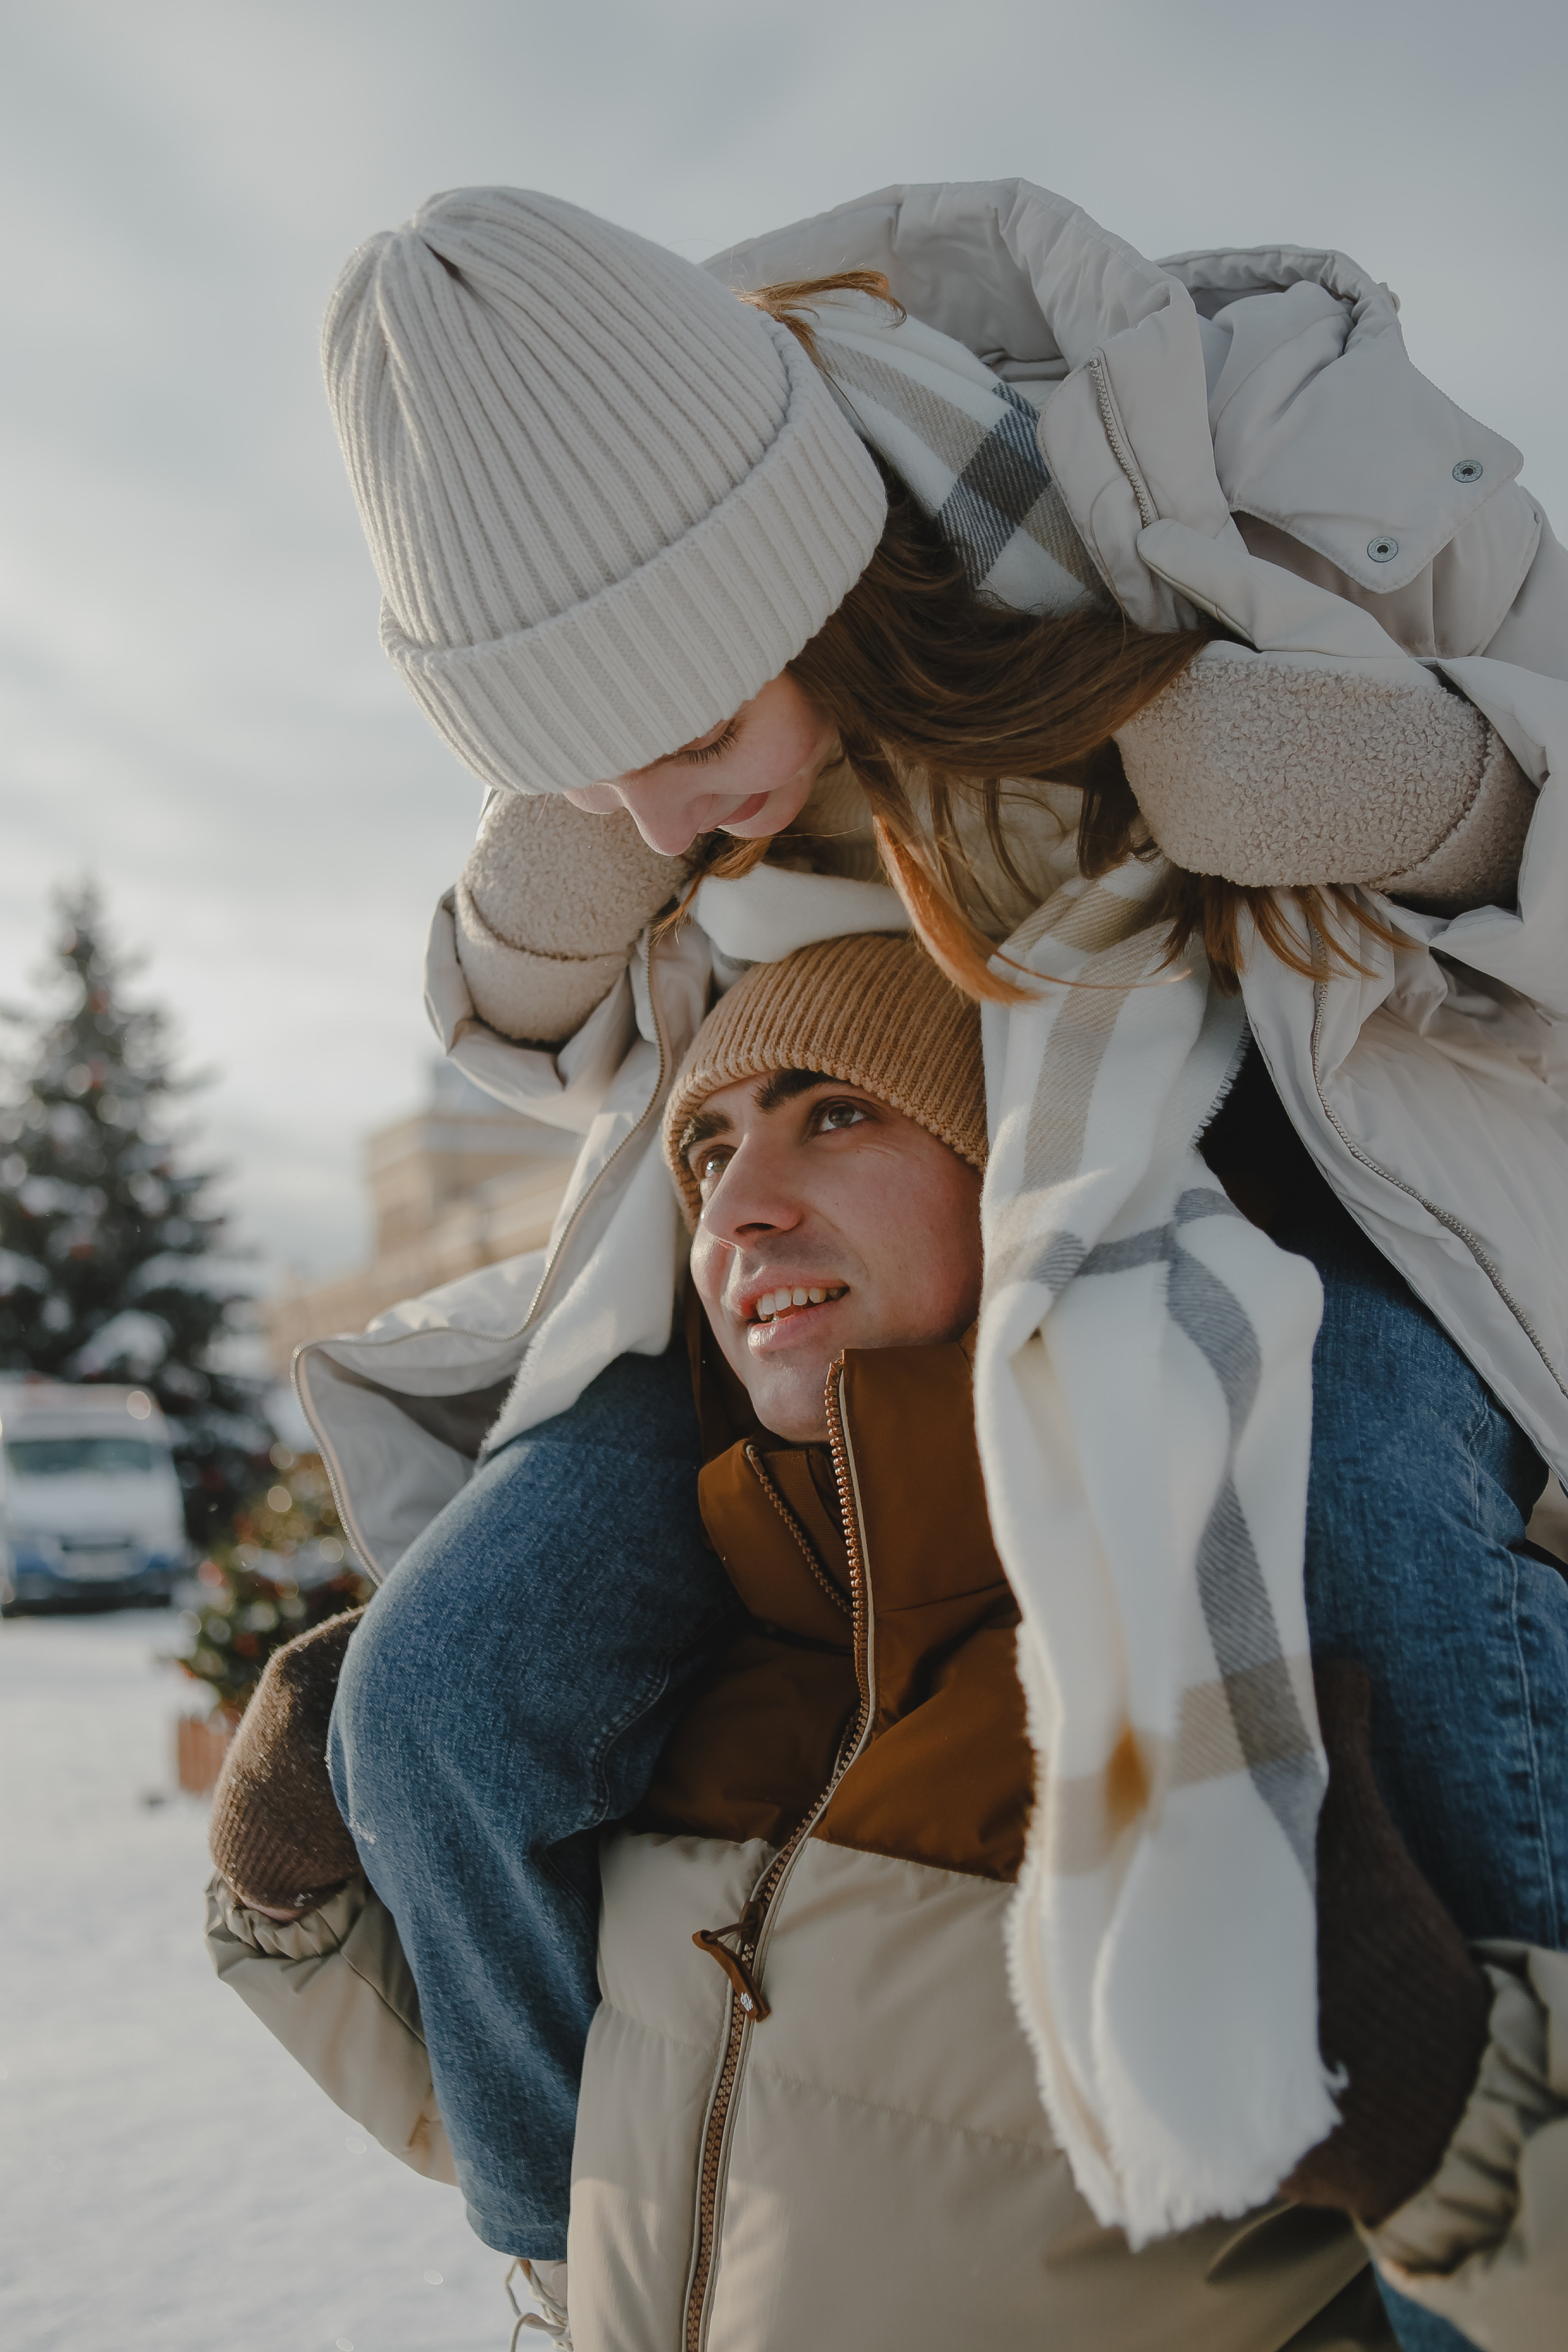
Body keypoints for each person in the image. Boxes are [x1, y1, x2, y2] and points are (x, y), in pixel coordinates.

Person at [270, 181, 1567, 2344]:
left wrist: (1444, 803)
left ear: (797, 575)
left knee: (1358, 1547)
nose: (663, 808)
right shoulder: (658, 756)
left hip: (1314, 1186)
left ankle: (1510, 2251)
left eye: (676, 735)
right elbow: (540, 1046)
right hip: (873, 1247)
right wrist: (556, 883)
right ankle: (563, 2254)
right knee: (446, 1693)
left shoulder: (1240, 449)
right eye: (581, 762)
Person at [208, 935, 1568, 2348]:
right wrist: (295, 1899)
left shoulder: (1269, 1679)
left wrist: (1450, 2127)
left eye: (837, 1113)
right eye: (705, 1152)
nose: (735, 1205)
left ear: (1035, 1183)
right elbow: (638, 2150)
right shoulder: (648, 1695)